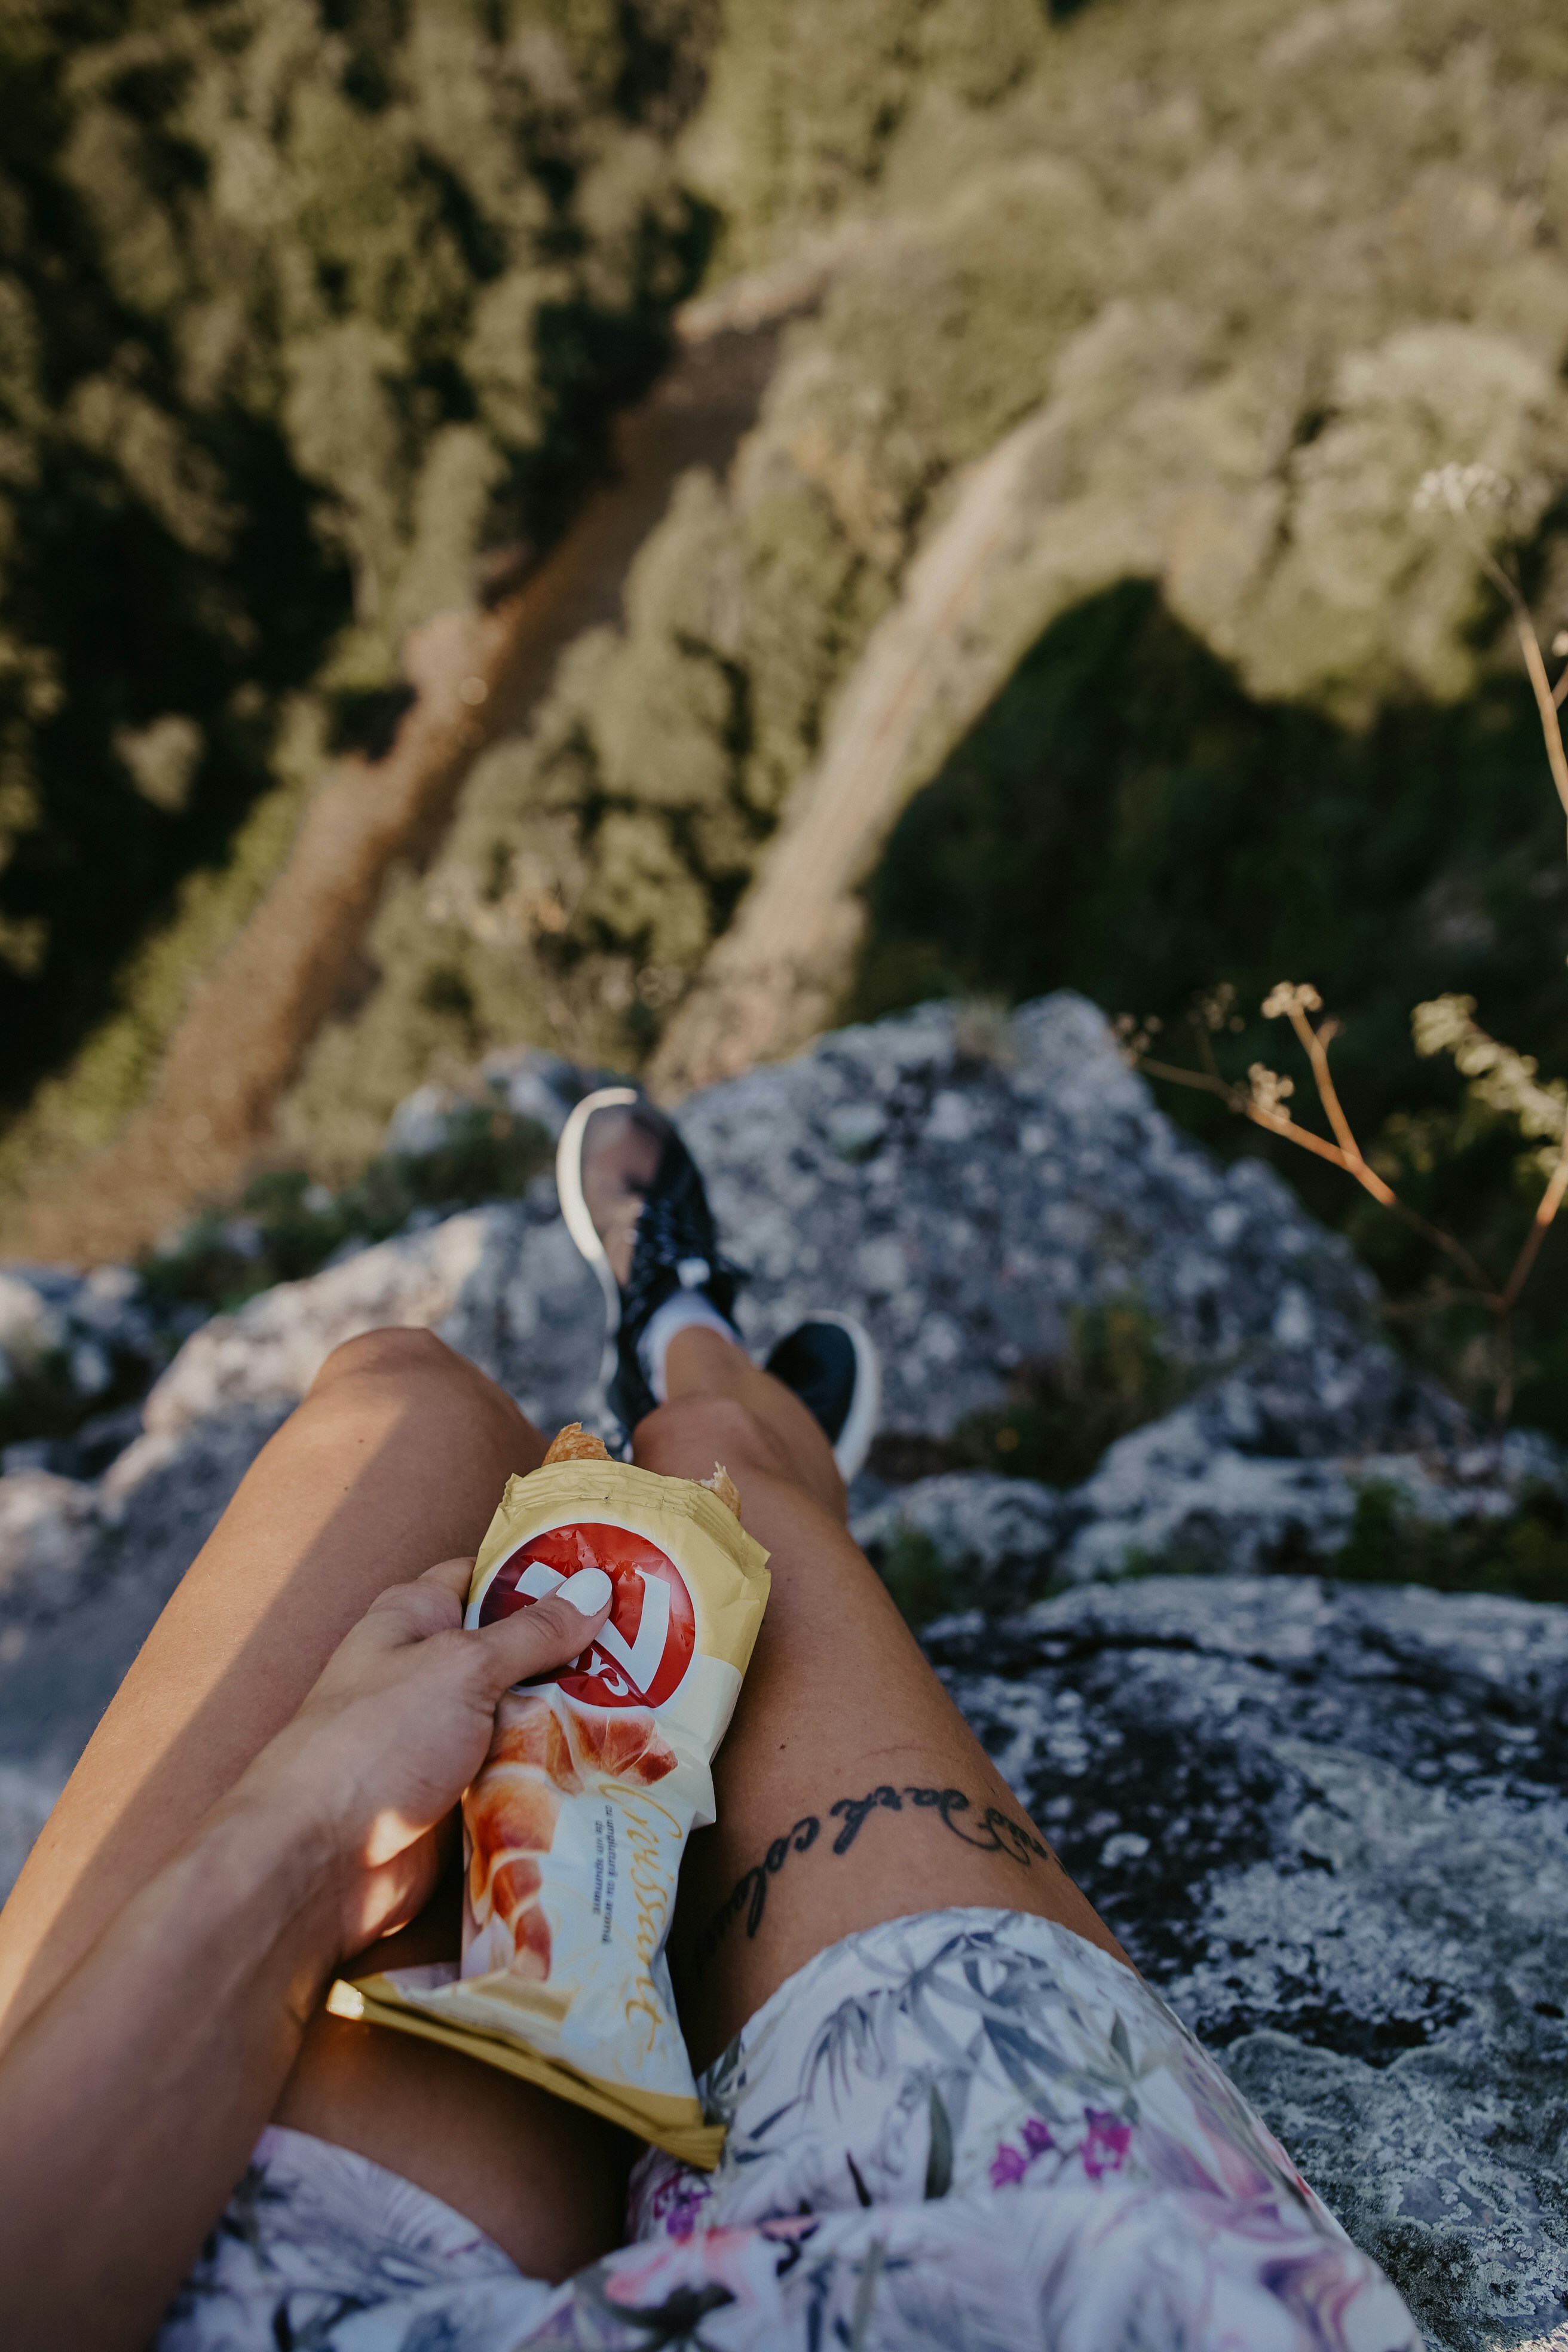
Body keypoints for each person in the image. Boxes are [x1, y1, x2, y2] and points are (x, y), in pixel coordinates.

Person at [0, 1094, 1419, 2351]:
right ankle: (695, 1344)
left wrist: (316, 1819)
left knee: (403, 1396)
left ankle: (684, 1357)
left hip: (267, 2289)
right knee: (719, 1474)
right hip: (1044, 2282)